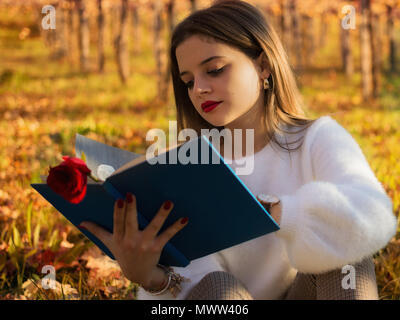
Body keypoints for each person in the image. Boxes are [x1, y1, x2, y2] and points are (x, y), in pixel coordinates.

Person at [79, 0, 398, 300]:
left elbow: (374, 216)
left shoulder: (317, 138)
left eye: (215, 69)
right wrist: (151, 279)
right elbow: (199, 286)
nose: (200, 89)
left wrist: (275, 213)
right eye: (188, 81)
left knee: (347, 262)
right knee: (219, 287)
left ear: (263, 66)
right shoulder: (188, 165)